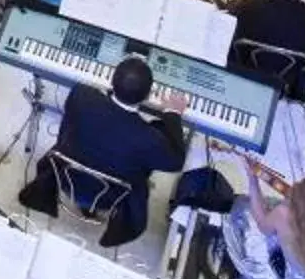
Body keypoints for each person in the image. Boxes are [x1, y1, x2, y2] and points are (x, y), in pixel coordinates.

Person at [18, 55, 184, 247]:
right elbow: (176, 160)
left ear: (112, 81)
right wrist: (173, 113)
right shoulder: (149, 139)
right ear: (147, 97)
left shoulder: (81, 96)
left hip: (66, 178)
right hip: (111, 197)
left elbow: (89, 101)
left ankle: (85, 204)